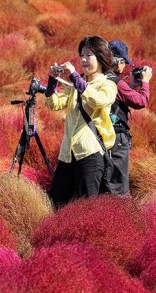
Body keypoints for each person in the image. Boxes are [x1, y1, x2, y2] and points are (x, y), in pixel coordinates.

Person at [44, 35, 117, 208]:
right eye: (81, 55)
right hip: (68, 154)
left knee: (86, 208)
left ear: (100, 57)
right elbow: (53, 103)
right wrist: (52, 81)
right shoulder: (77, 84)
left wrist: (76, 78)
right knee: (54, 203)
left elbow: (97, 100)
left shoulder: (107, 85)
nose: (83, 59)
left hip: (90, 154)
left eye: (89, 55)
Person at [106, 39, 152, 195]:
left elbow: (120, 96)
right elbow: (141, 101)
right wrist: (145, 82)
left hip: (101, 136)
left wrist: (131, 86)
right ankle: (120, 215)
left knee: (105, 181)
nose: (124, 66)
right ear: (116, 60)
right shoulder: (114, 81)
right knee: (119, 187)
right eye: (123, 62)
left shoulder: (99, 76)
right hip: (116, 139)